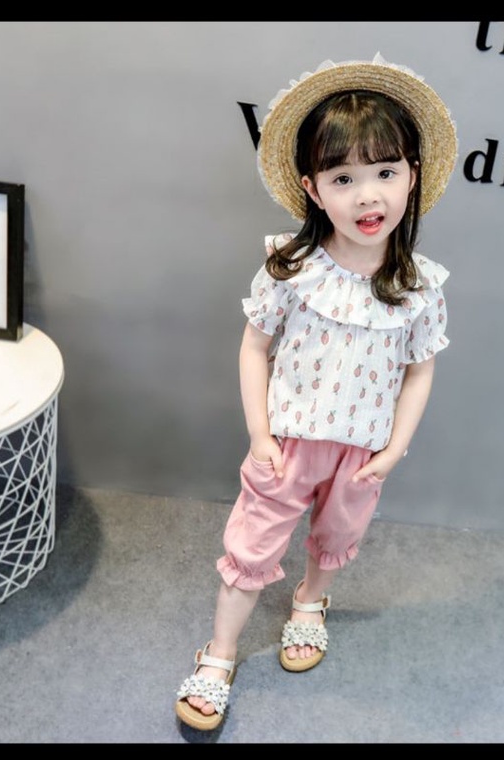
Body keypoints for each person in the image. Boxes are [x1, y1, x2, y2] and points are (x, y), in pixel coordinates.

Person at [175, 52, 457, 731]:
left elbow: (420, 369)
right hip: (289, 443)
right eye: (344, 178)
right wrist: (260, 434)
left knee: (336, 535)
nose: (368, 196)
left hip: (362, 452)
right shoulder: (292, 268)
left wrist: (394, 449)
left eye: (386, 172)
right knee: (252, 545)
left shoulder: (419, 287)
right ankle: (219, 653)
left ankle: (310, 600)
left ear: (413, 175)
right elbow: (255, 346)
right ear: (313, 187)